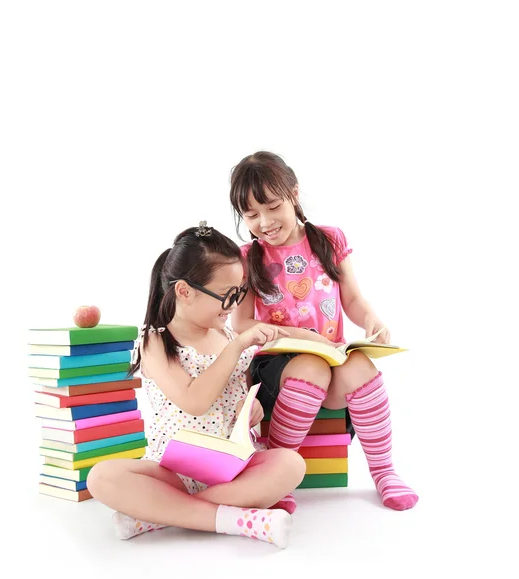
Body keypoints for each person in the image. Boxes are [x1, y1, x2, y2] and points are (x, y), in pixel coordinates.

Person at [87, 222, 306, 548]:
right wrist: (236, 348)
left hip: (231, 470)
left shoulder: (226, 336)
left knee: (291, 464)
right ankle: (235, 519)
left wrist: (251, 409)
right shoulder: (156, 341)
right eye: (226, 295)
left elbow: (235, 397)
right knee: (101, 478)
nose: (234, 305)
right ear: (185, 291)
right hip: (173, 473)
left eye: (239, 293)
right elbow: (195, 401)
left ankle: (158, 514)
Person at [228, 151, 418, 511]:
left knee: (361, 367)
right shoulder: (248, 257)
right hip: (279, 365)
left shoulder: (328, 240)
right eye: (251, 215)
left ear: (294, 193)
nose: (265, 221)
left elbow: (353, 298)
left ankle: (384, 470)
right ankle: (277, 474)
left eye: (272, 206)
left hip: (330, 356)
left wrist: (372, 320)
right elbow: (240, 323)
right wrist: (302, 339)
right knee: (311, 369)